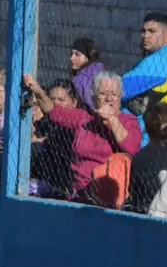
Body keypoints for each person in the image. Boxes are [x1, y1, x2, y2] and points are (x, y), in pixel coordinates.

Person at [23, 71, 142, 202]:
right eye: (103, 94)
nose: (108, 99)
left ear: (120, 97)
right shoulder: (84, 119)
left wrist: (112, 120)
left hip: (109, 199)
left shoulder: (128, 121)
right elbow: (52, 109)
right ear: (93, 97)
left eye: (114, 94)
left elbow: (133, 149)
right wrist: (38, 90)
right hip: (79, 195)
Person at [121, 12, 167, 145]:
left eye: (152, 31)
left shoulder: (160, 62)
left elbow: (121, 87)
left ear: (166, 37)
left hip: (145, 139)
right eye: (143, 31)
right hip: (157, 135)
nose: (145, 35)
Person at [29, 79, 77, 198]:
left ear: (74, 102)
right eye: (52, 99)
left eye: (61, 99)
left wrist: (40, 142)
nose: (56, 104)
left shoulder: (77, 125)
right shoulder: (43, 124)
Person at [69, 38, 104, 111]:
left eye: (77, 54)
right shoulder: (100, 69)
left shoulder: (81, 79)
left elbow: (90, 106)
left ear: (88, 58)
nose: (71, 58)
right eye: (71, 54)